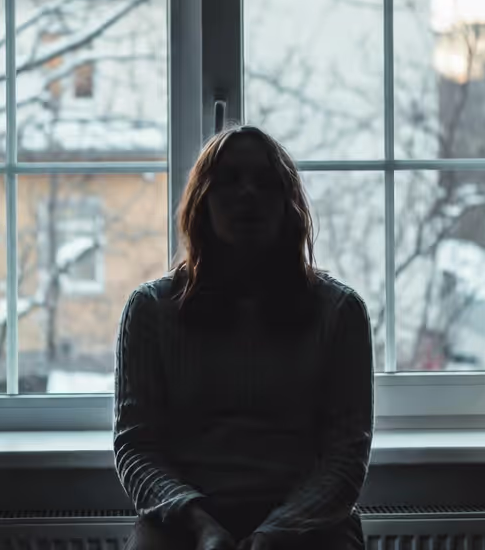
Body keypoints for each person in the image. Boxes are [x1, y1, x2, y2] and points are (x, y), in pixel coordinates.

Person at [114, 126, 375, 550]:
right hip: (182, 522)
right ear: (203, 200)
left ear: (288, 204)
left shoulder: (340, 313)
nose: (248, 193)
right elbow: (136, 447)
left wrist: (277, 532)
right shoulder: (150, 310)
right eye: (229, 180)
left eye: (265, 182)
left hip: (310, 525)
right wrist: (199, 525)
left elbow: (345, 458)